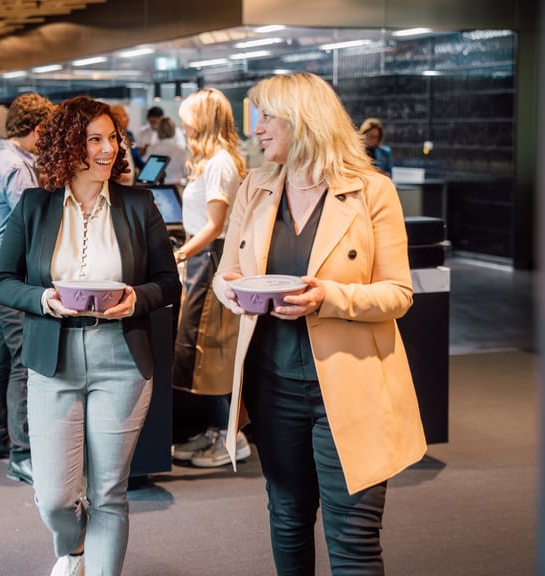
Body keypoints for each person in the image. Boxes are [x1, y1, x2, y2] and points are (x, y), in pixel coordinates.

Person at [212, 72, 427, 574]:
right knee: (287, 519)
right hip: (272, 384)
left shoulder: (372, 191)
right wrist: (241, 296)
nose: (257, 130)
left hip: (351, 388)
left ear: (303, 120)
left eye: (267, 117)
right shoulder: (255, 186)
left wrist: (328, 297)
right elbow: (227, 276)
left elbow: (398, 293)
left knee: (353, 540)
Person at [0, 96, 181, 576]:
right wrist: (45, 300)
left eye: (112, 138)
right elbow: (3, 280)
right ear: (67, 145)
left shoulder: (139, 204)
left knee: (110, 492)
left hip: (121, 359)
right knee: (55, 497)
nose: (108, 150)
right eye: (94, 139)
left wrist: (136, 299)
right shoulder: (36, 205)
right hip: (53, 359)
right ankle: (73, 547)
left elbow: (168, 281)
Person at [169, 88, 250, 468]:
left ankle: (230, 435)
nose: (184, 125)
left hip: (211, 260)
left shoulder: (220, 164)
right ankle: (213, 428)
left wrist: (182, 253)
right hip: (203, 259)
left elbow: (216, 225)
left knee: (211, 349)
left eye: (189, 119)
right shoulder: (212, 162)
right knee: (197, 347)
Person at [0, 92, 54, 485]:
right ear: (38, 129)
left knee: (3, 358)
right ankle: (23, 455)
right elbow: (34, 222)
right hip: (8, 271)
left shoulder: (2, 159)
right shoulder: (17, 167)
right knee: (25, 359)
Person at [143, 116, 187, 187]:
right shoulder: (181, 151)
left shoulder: (150, 149)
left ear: (158, 130)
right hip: (176, 188)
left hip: (156, 188)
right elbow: (186, 173)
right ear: (173, 130)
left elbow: (146, 174)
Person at [109, 104, 141, 184]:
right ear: (115, 118)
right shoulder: (112, 137)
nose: (128, 119)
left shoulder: (127, 135)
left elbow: (134, 156)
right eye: (124, 116)